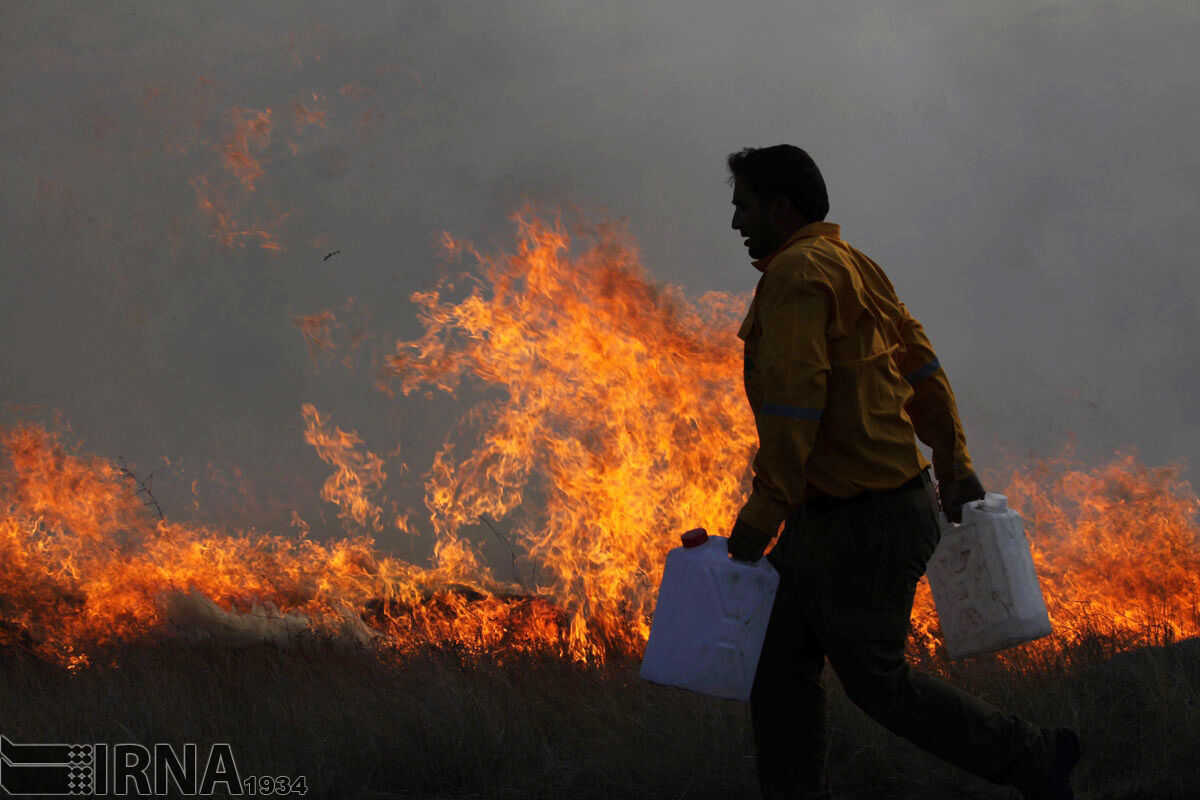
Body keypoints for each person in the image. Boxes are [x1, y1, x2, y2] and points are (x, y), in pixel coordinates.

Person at [723, 145, 1079, 799]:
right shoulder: (855, 264)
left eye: (743, 205)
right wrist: (952, 463)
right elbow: (921, 365)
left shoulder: (799, 276)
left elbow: (794, 402)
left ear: (780, 207)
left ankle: (1035, 758)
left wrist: (763, 513)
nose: (736, 221)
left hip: (866, 522)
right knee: (776, 665)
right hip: (836, 515)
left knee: (877, 682)